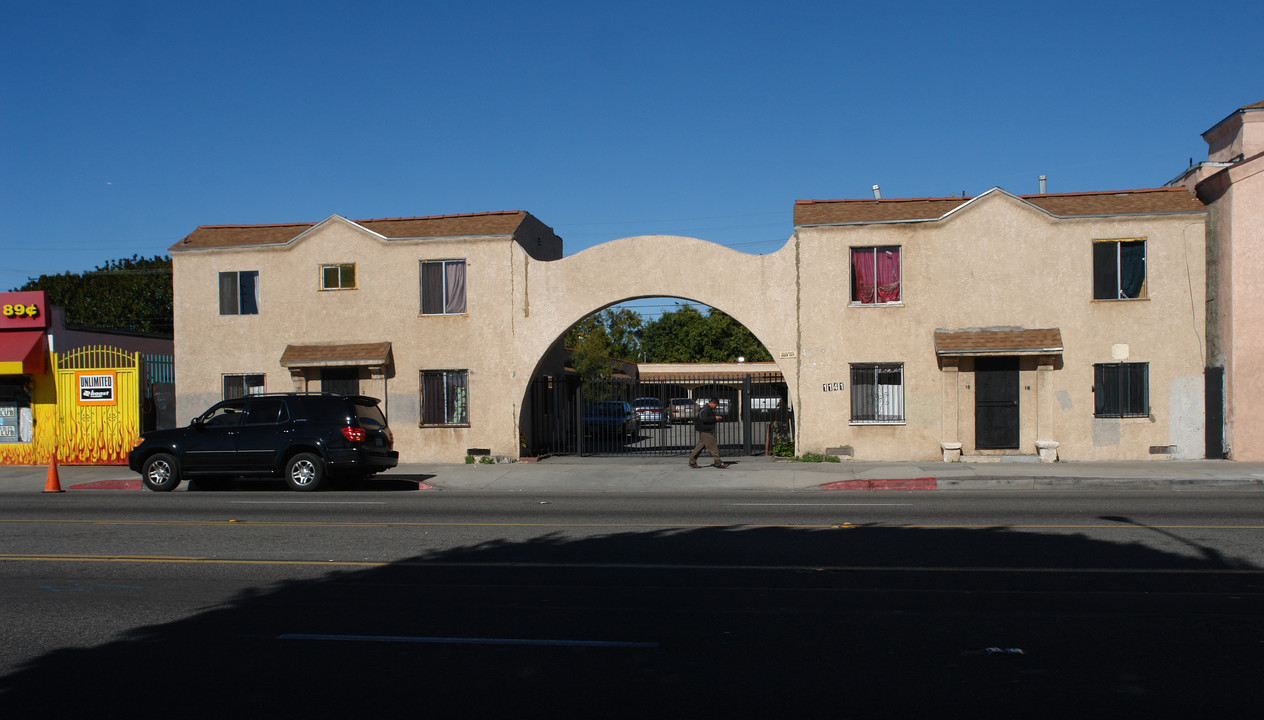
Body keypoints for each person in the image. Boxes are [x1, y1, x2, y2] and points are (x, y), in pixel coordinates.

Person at [688, 399, 728, 468]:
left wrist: (714, 418)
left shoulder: (706, 409)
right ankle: (718, 462)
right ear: (713, 403)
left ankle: (692, 461)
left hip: (704, 430)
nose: (715, 407)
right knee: (713, 447)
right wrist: (715, 418)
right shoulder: (706, 410)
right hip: (706, 431)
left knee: (699, 447)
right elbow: (705, 419)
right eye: (715, 405)